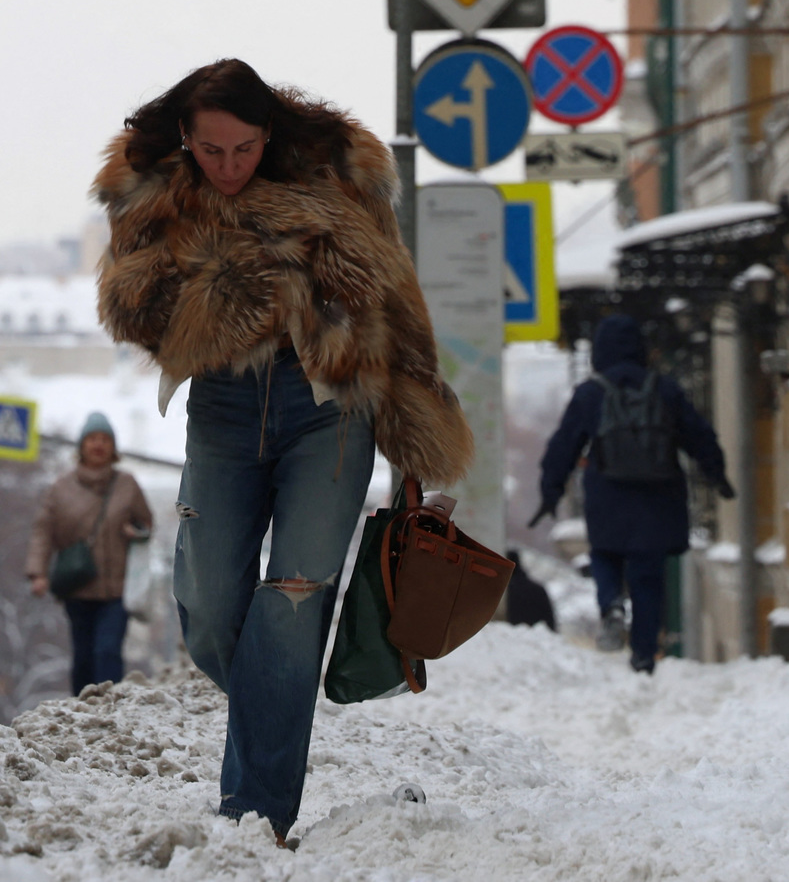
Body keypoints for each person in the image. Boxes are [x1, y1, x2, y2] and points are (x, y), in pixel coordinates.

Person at [96, 58, 472, 844]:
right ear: (186, 140)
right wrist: (242, 279)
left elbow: (394, 290)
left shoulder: (341, 172)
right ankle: (279, 709)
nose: (228, 167)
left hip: (327, 407)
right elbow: (132, 308)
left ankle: (254, 816)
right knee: (206, 607)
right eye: (212, 150)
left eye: (244, 149)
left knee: (294, 601)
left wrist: (416, 410)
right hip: (224, 408)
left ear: (270, 133)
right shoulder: (153, 187)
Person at [533, 311, 731, 673]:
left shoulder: (591, 393)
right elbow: (698, 435)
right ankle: (642, 656)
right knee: (647, 575)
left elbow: (564, 446)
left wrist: (551, 490)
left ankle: (610, 604)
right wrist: (718, 475)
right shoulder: (664, 388)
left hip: (608, 494)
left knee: (605, 555)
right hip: (658, 495)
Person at [27, 411, 155, 693]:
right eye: (93, 438)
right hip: (78, 587)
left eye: (105, 439)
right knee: (83, 655)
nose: (99, 445)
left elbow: (146, 522)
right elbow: (43, 532)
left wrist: (137, 531)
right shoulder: (61, 489)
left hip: (116, 590)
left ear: (114, 448)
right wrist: (38, 573)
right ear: (81, 446)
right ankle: (81, 713)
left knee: (107, 651)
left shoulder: (127, 485)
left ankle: (111, 710)